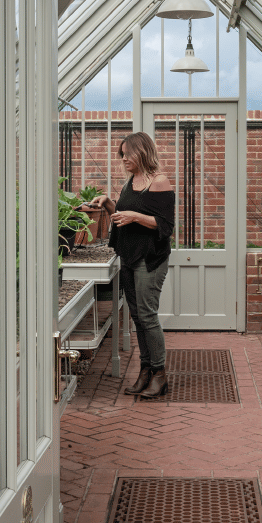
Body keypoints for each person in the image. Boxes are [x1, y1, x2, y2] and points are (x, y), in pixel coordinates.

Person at [88, 132, 174, 399]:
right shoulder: (129, 183)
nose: (123, 159)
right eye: (122, 154)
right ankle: (145, 371)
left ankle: (159, 374)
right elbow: (120, 217)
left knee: (147, 316)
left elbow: (165, 226)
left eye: (127, 154)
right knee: (137, 317)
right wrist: (108, 204)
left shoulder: (159, 182)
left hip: (150, 259)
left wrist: (137, 216)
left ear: (142, 152)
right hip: (129, 255)